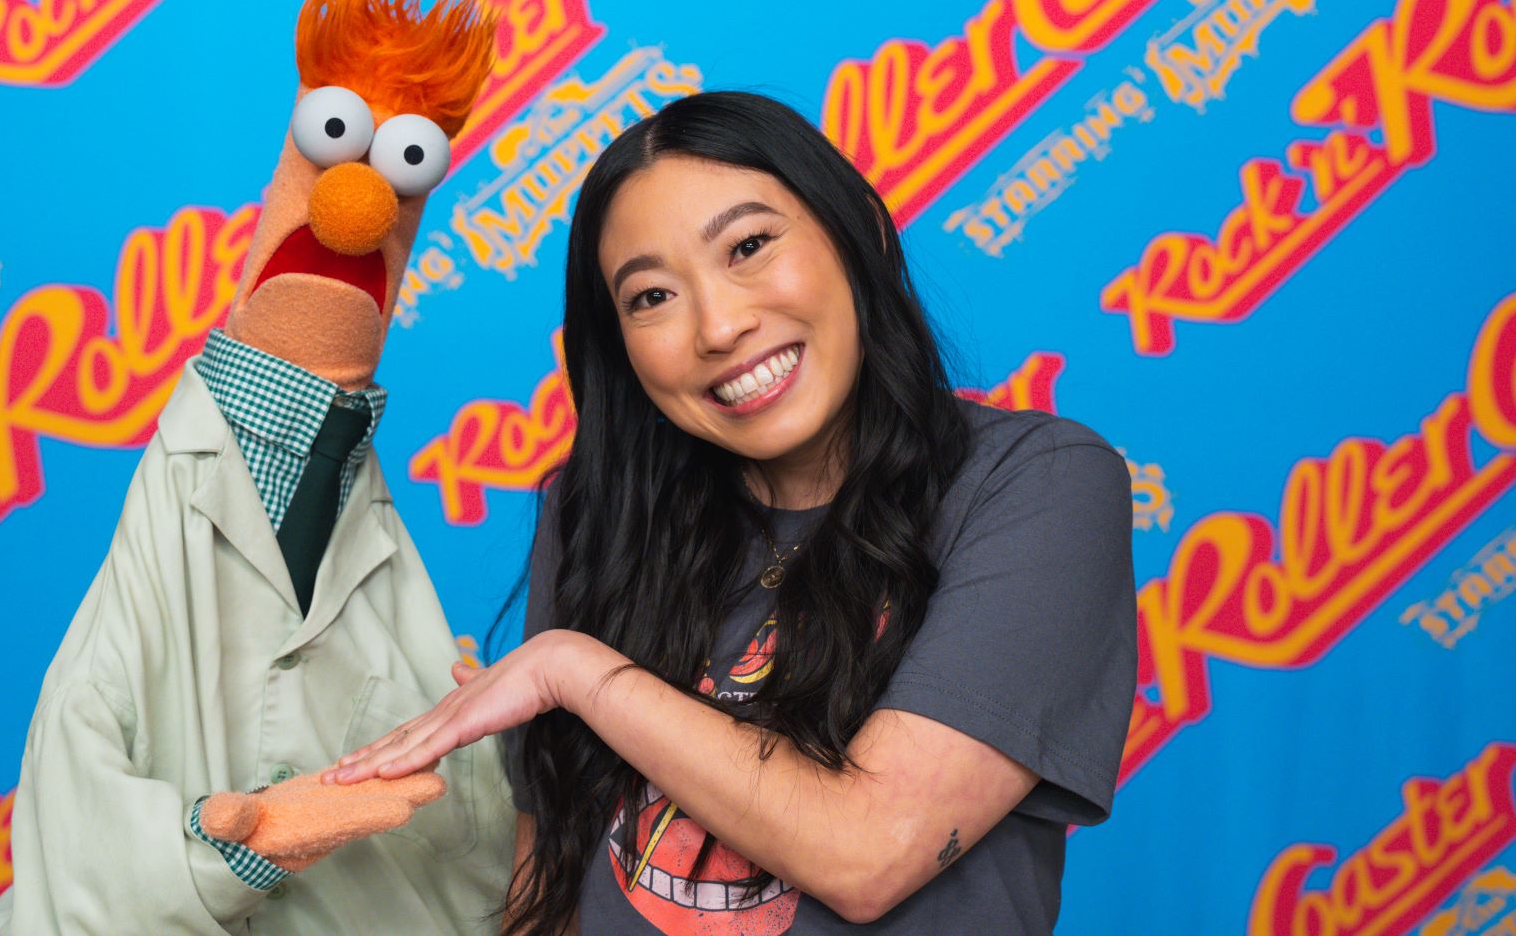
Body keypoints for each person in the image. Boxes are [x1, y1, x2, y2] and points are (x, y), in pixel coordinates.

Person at [326, 90, 1137, 934]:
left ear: (860, 231)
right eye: (651, 296)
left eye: (749, 246)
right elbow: (547, 884)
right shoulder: (600, 514)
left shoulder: (1034, 483)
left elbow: (869, 852)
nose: (717, 327)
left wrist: (578, 672)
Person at [0, 0, 516, 936]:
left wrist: (497, 743)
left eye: (404, 163)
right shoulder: (190, 494)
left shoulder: (351, 492)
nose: (360, 202)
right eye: (338, 139)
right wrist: (236, 841)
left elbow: (473, 845)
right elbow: (73, 792)